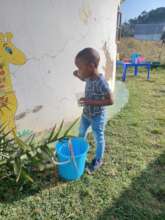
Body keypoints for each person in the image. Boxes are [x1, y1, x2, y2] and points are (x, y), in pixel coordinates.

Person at [73, 48, 114, 174]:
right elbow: (83, 78)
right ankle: (81, 152)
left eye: (80, 68)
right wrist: (77, 75)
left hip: (97, 116)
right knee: (81, 133)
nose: (79, 71)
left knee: (98, 138)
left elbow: (111, 100)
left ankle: (98, 160)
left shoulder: (101, 82)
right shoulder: (88, 76)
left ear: (91, 66)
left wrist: (91, 102)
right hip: (86, 114)